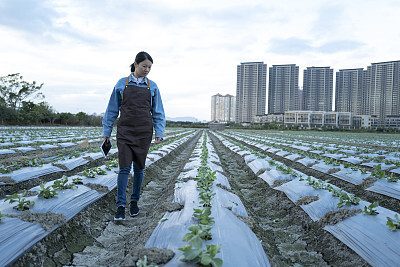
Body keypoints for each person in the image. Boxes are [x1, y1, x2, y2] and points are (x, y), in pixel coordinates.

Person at [102, 51, 165, 221]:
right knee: (124, 168)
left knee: (139, 167)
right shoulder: (122, 83)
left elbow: (158, 111)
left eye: (150, 67)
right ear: (135, 64)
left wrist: (159, 132)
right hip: (125, 132)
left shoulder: (152, 86)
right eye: (144, 66)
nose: (147, 70)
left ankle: (134, 202)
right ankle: (120, 206)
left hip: (144, 132)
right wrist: (106, 133)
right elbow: (112, 110)